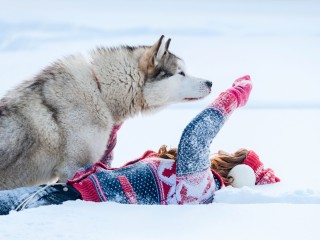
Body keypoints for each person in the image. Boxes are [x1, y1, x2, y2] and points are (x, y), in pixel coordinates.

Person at [0, 75, 279, 215]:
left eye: (232, 156)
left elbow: (196, 137)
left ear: (235, 173)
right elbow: (103, 176)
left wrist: (233, 98)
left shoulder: (198, 186)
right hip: (67, 195)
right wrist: (113, 129)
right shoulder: (183, 179)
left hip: (65, 203)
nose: (221, 154)